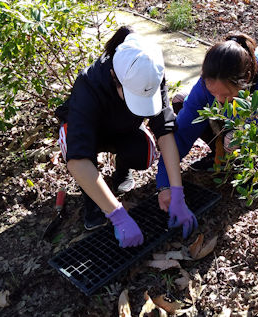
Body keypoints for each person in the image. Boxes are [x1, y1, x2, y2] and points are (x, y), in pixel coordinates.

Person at [55, 26, 197, 248]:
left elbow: (165, 131)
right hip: (89, 133)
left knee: (145, 153)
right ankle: (93, 199)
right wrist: (118, 215)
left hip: (122, 128)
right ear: (114, 76)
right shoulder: (89, 84)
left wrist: (176, 191)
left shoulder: (150, 70)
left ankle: (121, 169)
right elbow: (78, 158)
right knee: (80, 156)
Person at [156, 33, 258, 210]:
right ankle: (221, 157)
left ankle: (248, 170)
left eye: (225, 95)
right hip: (229, 131)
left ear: (246, 78)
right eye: (213, 93)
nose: (218, 100)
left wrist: (243, 134)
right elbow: (181, 135)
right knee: (182, 102)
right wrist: (165, 184)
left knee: (242, 141)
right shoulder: (205, 87)